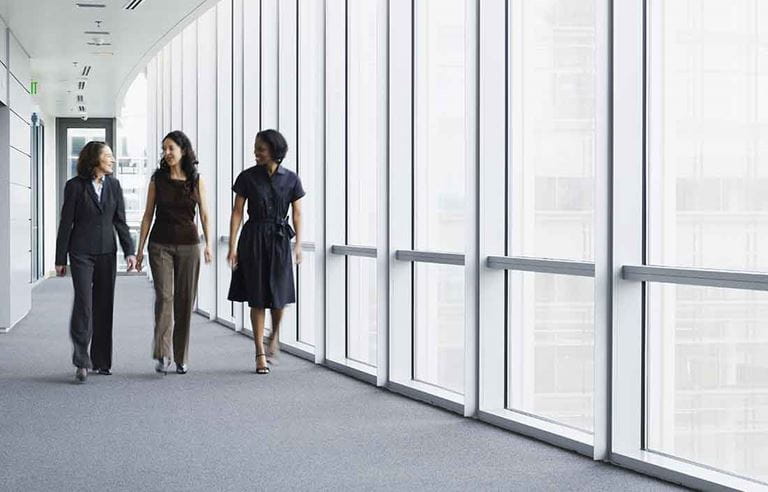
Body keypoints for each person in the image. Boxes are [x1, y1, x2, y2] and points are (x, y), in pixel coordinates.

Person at [55, 141, 137, 383]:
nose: (112, 160)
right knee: (84, 303)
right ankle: (81, 360)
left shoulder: (114, 185)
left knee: (104, 305)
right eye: (108, 156)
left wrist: (129, 252)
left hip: (106, 253)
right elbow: (65, 223)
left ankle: (101, 361)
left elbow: (120, 222)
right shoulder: (75, 187)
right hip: (80, 252)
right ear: (95, 159)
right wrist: (60, 258)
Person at [227, 129, 305, 374]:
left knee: (279, 297)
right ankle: (259, 352)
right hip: (253, 238)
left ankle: (275, 336)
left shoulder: (291, 179)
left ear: (274, 151)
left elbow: (298, 213)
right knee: (258, 296)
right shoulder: (247, 178)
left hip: (280, 239)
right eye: (255, 148)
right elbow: (237, 212)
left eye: (260, 149)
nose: (256, 153)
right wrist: (232, 246)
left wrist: (299, 244)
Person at [135, 131, 212, 375]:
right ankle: (162, 352)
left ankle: (181, 356)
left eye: (171, 148)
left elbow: (205, 215)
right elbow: (148, 215)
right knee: (165, 298)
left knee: (184, 301)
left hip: (189, 246)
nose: (166, 153)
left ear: (183, 151)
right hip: (160, 246)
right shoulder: (158, 179)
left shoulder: (196, 179)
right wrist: (139, 251)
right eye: (164, 149)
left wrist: (208, 244)